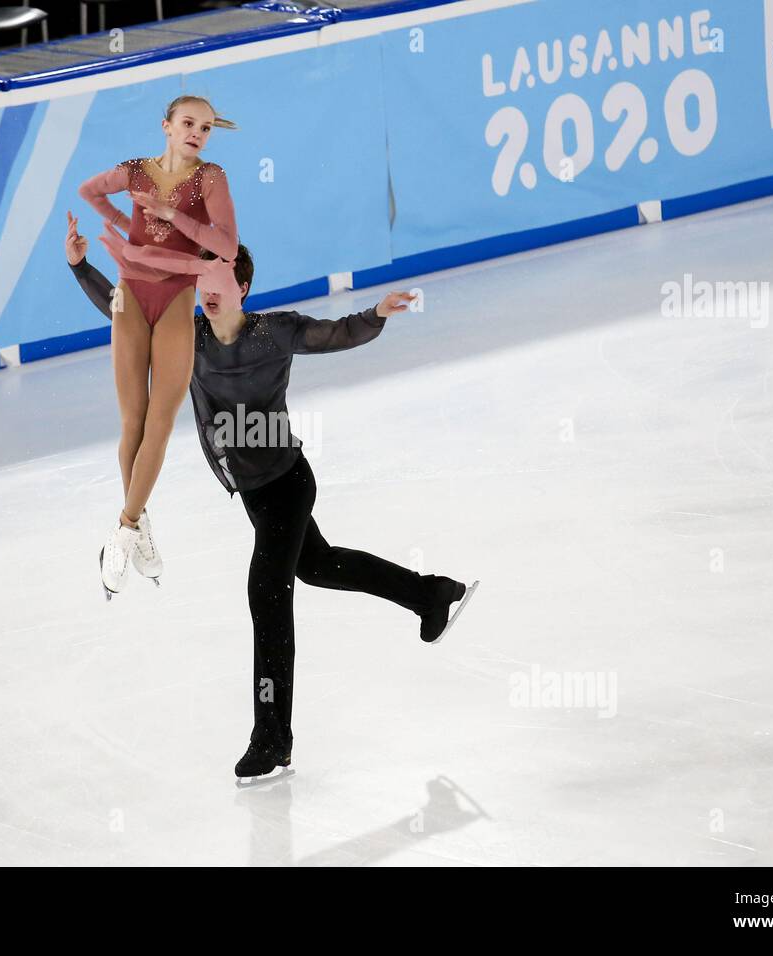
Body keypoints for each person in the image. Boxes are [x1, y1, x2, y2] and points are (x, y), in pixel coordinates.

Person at [65, 213, 478, 783]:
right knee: (320, 565)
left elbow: (334, 334)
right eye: (200, 282)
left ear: (243, 287)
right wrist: (80, 266)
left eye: (218, 282)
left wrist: (376, 315)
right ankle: (431, 595)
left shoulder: (274, 333)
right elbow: (125, 311)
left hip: (287, 484)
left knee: (267, 596)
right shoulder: (188, 338)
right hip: (255, 495)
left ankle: (272, 738)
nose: (207, 293)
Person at [78, 95, 241, 598]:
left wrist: (172, 213)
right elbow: (88, 190)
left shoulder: (210, 177)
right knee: (133, 419)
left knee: (161, 422)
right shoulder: (135, 171)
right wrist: (125, 230)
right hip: (130, 296)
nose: (197, 134)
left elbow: (227, 247)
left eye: (206, 128)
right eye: (188, 123)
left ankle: (124, 530)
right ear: (166, 126)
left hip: (175, 300)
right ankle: (140, 521)